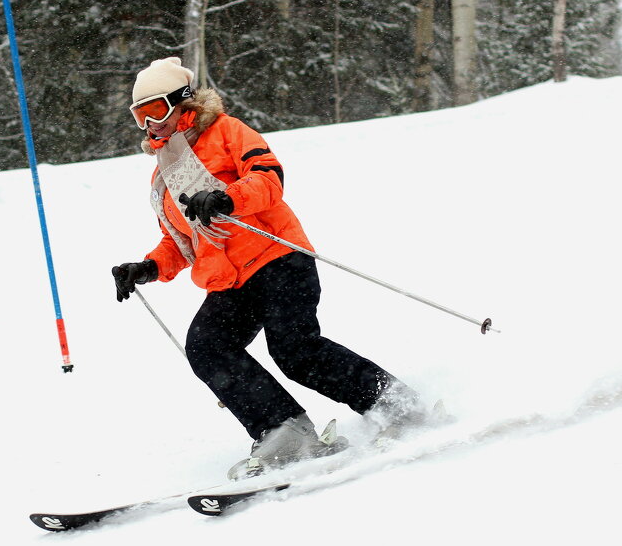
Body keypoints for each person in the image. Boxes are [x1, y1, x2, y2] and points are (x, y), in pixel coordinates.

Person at [112, 57, 428, 480]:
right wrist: (147, 267)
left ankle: (396, 405)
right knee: (207, 346)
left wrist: (227, 198)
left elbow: (268, 177)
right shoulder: (163, 173)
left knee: (295, 350)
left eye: (154, 110)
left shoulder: (226, 132)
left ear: (181, 103)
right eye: (139, 116)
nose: (149, 124)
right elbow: (180, 240)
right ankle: (284, 429)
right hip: (229, 280)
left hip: (278, 258)